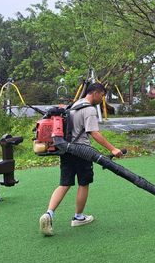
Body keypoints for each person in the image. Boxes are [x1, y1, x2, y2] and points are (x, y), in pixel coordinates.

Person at [39, 83, 123, 236]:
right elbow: (94, 133)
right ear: (95, 93)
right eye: (102, 95)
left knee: (64, 184)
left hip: (66, 149)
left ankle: (49, 214)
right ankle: (78, 217)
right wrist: (113, 149)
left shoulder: (74, 104)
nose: (102, 98)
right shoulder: (89, 109)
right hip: (82, 151)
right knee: (83, 183)